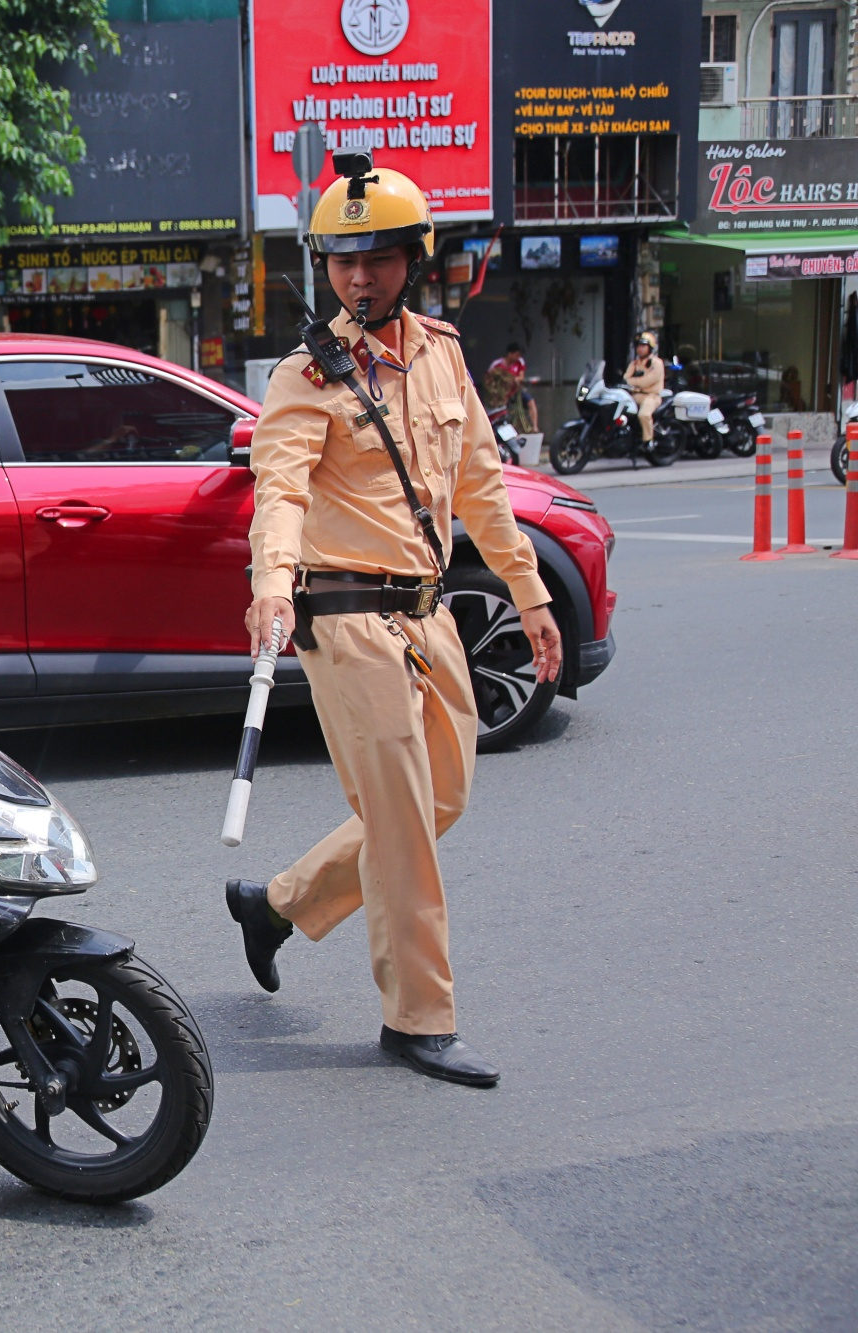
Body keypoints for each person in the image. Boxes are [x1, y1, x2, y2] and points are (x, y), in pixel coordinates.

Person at [228, 153, 563, 1088]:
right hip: (346, 621)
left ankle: (278, 904)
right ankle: (419, 1017)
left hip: (433, 614)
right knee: (404, 820)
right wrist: (272, 584)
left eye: (377, 258)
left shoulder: (446, 354)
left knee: (440, 799)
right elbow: (279, 489)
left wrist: (529, 595)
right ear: (325, 268)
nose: (361, 277)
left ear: (414, 257)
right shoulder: (306, 375)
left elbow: (483, 490)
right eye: (342, 261)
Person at [485, 343, 537, 433]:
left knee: (530, 401)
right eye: (516, 355)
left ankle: (535, 427)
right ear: (510, 354)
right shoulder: (497, 364)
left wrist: (514, 380)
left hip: (516, 391)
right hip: (502, 394)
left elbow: (521, 376)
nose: (518, 357)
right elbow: (488, 379)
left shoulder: (520, 361)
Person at [625, 332, 664, 442]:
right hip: (635, 395)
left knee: (644, 415)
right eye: (638, 346)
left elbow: (646, 381)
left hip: (651, 397)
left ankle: (648, 441)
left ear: (650, 347)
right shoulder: (634, 363)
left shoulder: (656, 363)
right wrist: (632, 382)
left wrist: (633, 381)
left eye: (643, 346)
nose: (640, 349)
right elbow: (626, 378)